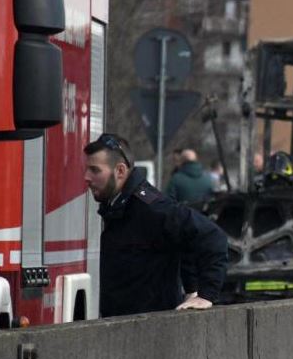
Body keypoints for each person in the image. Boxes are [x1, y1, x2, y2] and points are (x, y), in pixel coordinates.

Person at [83, 134, 228, 317]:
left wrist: (206, 295)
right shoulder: (117, 206)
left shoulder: (151, 207)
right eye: (86, 169)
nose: (86, 177)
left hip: (149, 329)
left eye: (95, 170)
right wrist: (191, 287)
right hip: (122, 324)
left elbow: (212, 236)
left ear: (120, 171)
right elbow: (182, 244)